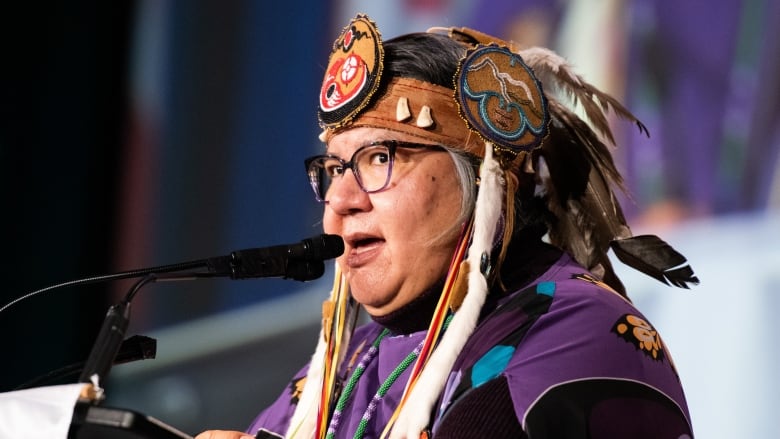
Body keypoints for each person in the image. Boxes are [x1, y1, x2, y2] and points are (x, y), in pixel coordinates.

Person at [197, 14, 698, 439]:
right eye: (333, 169)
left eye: (379, 158)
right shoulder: (343, 367)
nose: (342, 201)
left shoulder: (572, 331)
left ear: (485, 181)